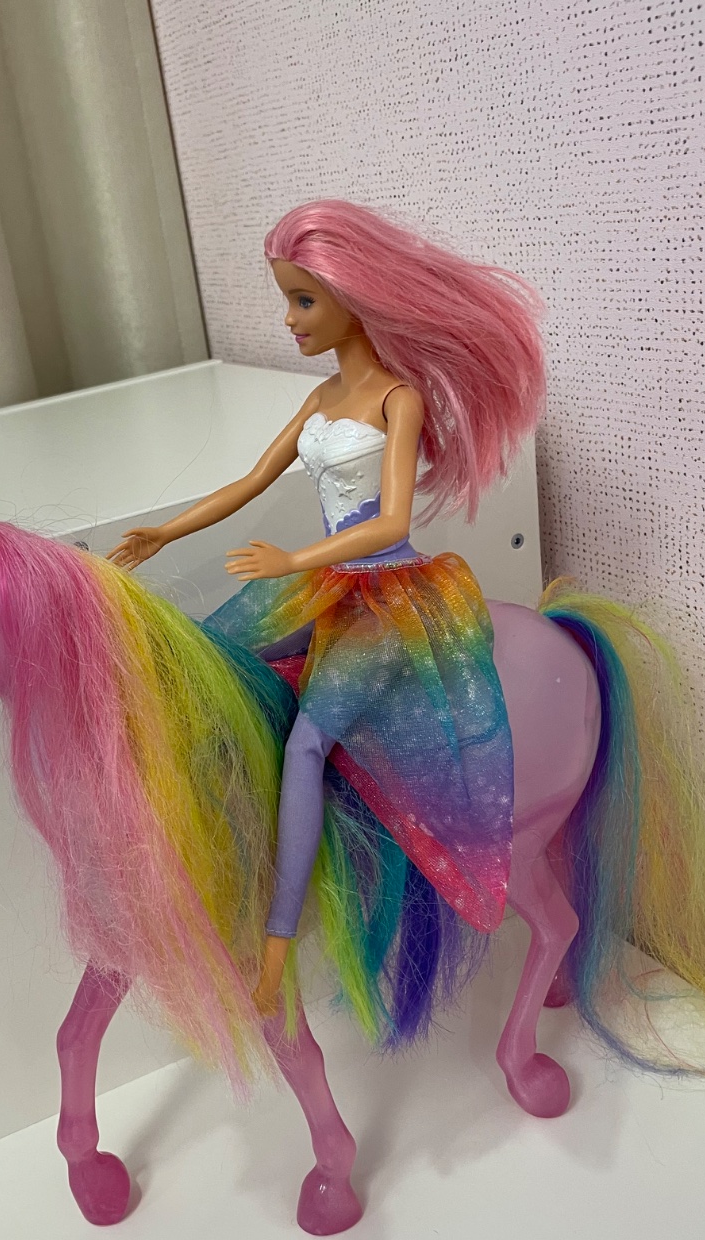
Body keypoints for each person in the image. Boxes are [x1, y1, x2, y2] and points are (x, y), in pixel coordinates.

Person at [108, 200, 545, 1017]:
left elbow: (388, 522)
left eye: (303, 299)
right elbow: (250, 481)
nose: (290, 319)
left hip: (387, 593)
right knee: (207, 663)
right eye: (289, 298)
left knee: (309, 742)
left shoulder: (399, 399)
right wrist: (165, 532)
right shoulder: (319, 399)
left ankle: (276, 948)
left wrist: (294, 559)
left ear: (354, 296)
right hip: (320, 582)